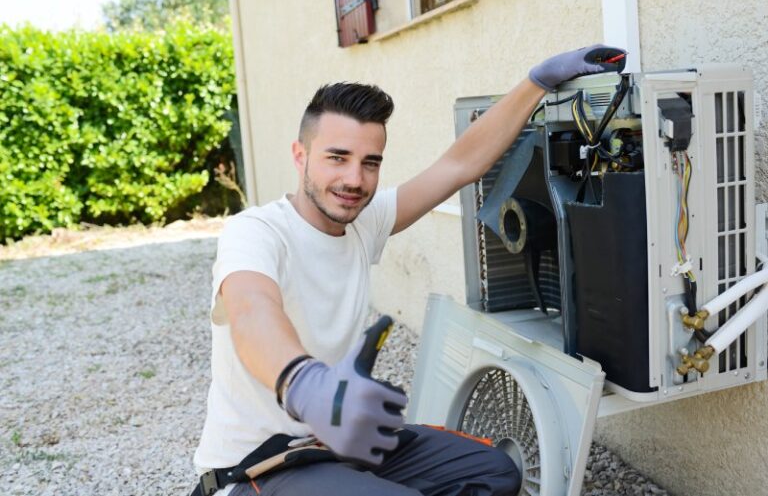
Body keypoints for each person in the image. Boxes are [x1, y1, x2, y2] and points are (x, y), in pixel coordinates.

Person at [192, 45, 627, 496]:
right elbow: (251, 311)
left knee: (495, 474)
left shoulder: (365, 221)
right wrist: (304, 383)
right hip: (258, 468)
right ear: (300, 156)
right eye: (336, 157)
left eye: (370, 162)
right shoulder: (256, 232)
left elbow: (459, 165)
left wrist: (537, 82)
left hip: (337, 445)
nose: (354, 180)